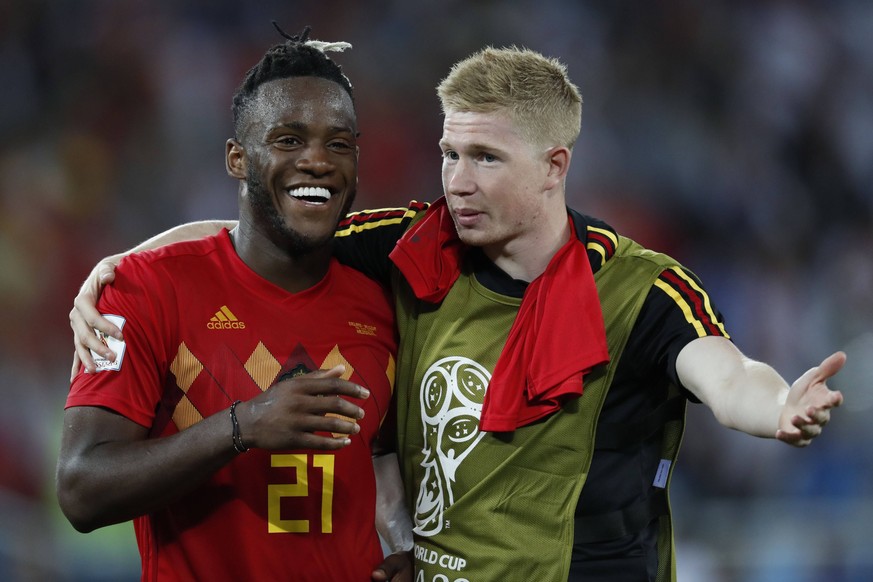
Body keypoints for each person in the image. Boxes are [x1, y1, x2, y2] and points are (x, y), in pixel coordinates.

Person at [70, 46, 845, 581]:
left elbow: (724, 370)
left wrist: (776, 406)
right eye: (449, 153)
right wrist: (119, 268)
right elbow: (276, 224)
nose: (457, 181)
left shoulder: (636, 288)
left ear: (554, 166)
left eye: (485, 158)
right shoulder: (415, 250)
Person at [57, 26, 413, 582]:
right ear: (237, 159)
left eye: (339, 143)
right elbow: (81, 489)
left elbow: (384, 453)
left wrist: (403, 548)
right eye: (289, 140)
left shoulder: (383, 304)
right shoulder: (140, 291)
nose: (318, 161)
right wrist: (242, 425)